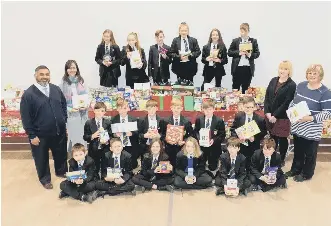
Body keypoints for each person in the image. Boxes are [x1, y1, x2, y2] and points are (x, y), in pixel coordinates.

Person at [20, 65, 68, 189]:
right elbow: (25, 117)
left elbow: (63, 106)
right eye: (41, 74)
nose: (45, 77)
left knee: (61, 154)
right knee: (41, 158)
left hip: (59, 131)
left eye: (47, 74)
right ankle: (45, 179)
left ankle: (61, 171)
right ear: (35, 75)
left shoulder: (56, 89)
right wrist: (31, 135)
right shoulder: (28, 94)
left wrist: (64, 122)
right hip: (40, 135)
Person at [285, 64, 331, 182]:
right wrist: (290, 111)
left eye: (315, 73)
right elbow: (294, 101)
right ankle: (295, 169)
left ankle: (306, 174)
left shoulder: (325, 92)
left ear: (320, 76)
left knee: (310, 154)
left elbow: (327, 113)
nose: (311, 75)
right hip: (298, 126)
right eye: (310, 73)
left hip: (312, 129)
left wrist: (309, 118)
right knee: (298, 150)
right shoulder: (301, 85)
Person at [264, 61, 296, 166]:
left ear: (289, 71)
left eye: (285, 69)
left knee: (282, 139)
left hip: (282, 117)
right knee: (273, 138)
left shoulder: (291, 84)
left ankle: (281, 159)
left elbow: (286, 103)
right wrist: (268, 112)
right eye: (281, 68)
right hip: (270, 116)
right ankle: (273, 156)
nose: (282, 71)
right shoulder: (273, 80)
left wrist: (275, 115)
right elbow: (267, 97)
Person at [230, 97, 267, 171]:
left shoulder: (260, 119)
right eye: (247, 107)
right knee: (240, 165)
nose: (249, 109)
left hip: (253, 146)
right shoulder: (239, 116)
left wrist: (255, 138)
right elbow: (233, 129)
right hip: (241, 145)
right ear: (243, 107)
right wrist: (237, 139)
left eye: (251, 107)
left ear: (255, 107)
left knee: (251, 165)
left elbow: (263, 132)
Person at [59, 60, 88, 153]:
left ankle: (83, 159)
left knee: (83, 137)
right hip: (71, 116)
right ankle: (75, 158)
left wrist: (86, 105)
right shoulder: (63, 84)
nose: (72, 69)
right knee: (74, 137)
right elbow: (60, 102)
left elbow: (88, 96)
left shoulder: (82, 81)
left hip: (83, 115)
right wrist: (70, 109)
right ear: (66, 70)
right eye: (70, 68)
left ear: (77, 69)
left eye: (74, 67)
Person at [194, 98, 226, 172]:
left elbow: (222, 134)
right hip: (202, 147)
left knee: (213, 168)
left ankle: (212, 166)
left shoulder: (219, 120)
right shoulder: (199, 119)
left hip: (214, 148)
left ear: (213, 109)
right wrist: (199, 139)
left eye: (209, 109)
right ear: (203, 110)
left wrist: (214, 140)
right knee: (200, 166)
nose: (207, 111)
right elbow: (195, 131)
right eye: (205, 109)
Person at [228, 23, 260, 94]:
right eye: (241, 31)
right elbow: (229, 52)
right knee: (236, 88)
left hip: (248, 68)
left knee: (245, 88)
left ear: (248, 31)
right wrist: (239, 53)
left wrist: (249, 54)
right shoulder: (235, 41)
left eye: (245, 31)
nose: (243, 33)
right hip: (237, 68)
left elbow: (257, 54)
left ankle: (244, 103)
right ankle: (234, 103)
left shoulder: (253, 41)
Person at [163, 98, 194, 169]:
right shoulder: (165, 121)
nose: (176, 110)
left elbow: (191, 135)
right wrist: (167, 139)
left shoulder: (186, 121)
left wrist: (184, 141)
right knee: (170, 166)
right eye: (174, 108)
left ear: (182, 108)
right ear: (171, 108)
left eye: (178, 108)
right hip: (169, 147)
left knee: (181, 166)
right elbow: (162, 134)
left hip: (181, 148)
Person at [83, 102, 112, 179]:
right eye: (98, 110)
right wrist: (92, 136)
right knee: (94, 167)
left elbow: (111, 135)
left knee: (105, 166)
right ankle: (95, 180)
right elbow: (85, 137)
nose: (100, 113)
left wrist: (107, 140)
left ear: (105, 112)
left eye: (102, 111)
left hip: (105, 149)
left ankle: (104, 179)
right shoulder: (88, 123)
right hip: (93, 149)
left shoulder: (108, 122)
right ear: (94, 111)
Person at [111, 98, 140, 169]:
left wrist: (132, 133)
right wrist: (115, 134)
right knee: (121, 163)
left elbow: (138, 133)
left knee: (132, 164)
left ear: (128, 108)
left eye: (125, 108)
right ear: (117, 109)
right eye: (120, 108)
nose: (123, 110)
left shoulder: (133, 119)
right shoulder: (114, 119)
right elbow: (111, 133)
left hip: (131, 145)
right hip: (119, 146)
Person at [169, 22, 201, 86]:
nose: (184, 32)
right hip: (179, 66)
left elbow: (198, 51)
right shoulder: (175, 40)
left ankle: (189, 95)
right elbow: (171, 53)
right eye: (182, 31)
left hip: (190, 66)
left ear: (188, 31)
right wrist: (179, 57)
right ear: (179, 31)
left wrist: (190, 55)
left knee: (190, 87)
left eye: (185, 30)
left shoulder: (193, 40)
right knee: (179, 86)